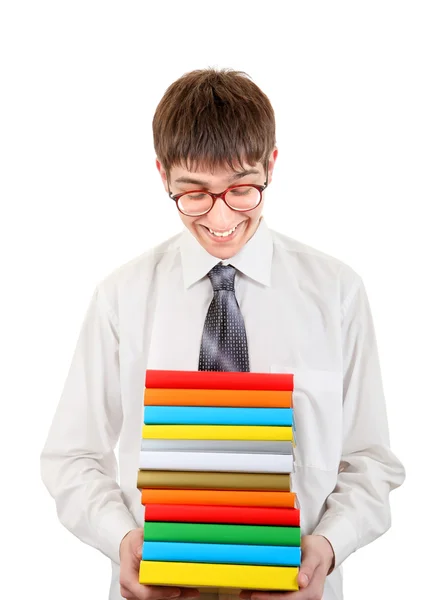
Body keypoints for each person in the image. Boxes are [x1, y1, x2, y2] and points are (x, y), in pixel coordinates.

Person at [40, 67, 405, 600]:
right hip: (160, 588)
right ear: (163, 175)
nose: (219, 216)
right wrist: (121, 539)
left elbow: (370, 460)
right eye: (194, 193)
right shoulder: (121, 296)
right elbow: (71, 457)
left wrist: (327, 547)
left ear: (271, 166)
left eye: (241, 190)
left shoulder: (337, 292)